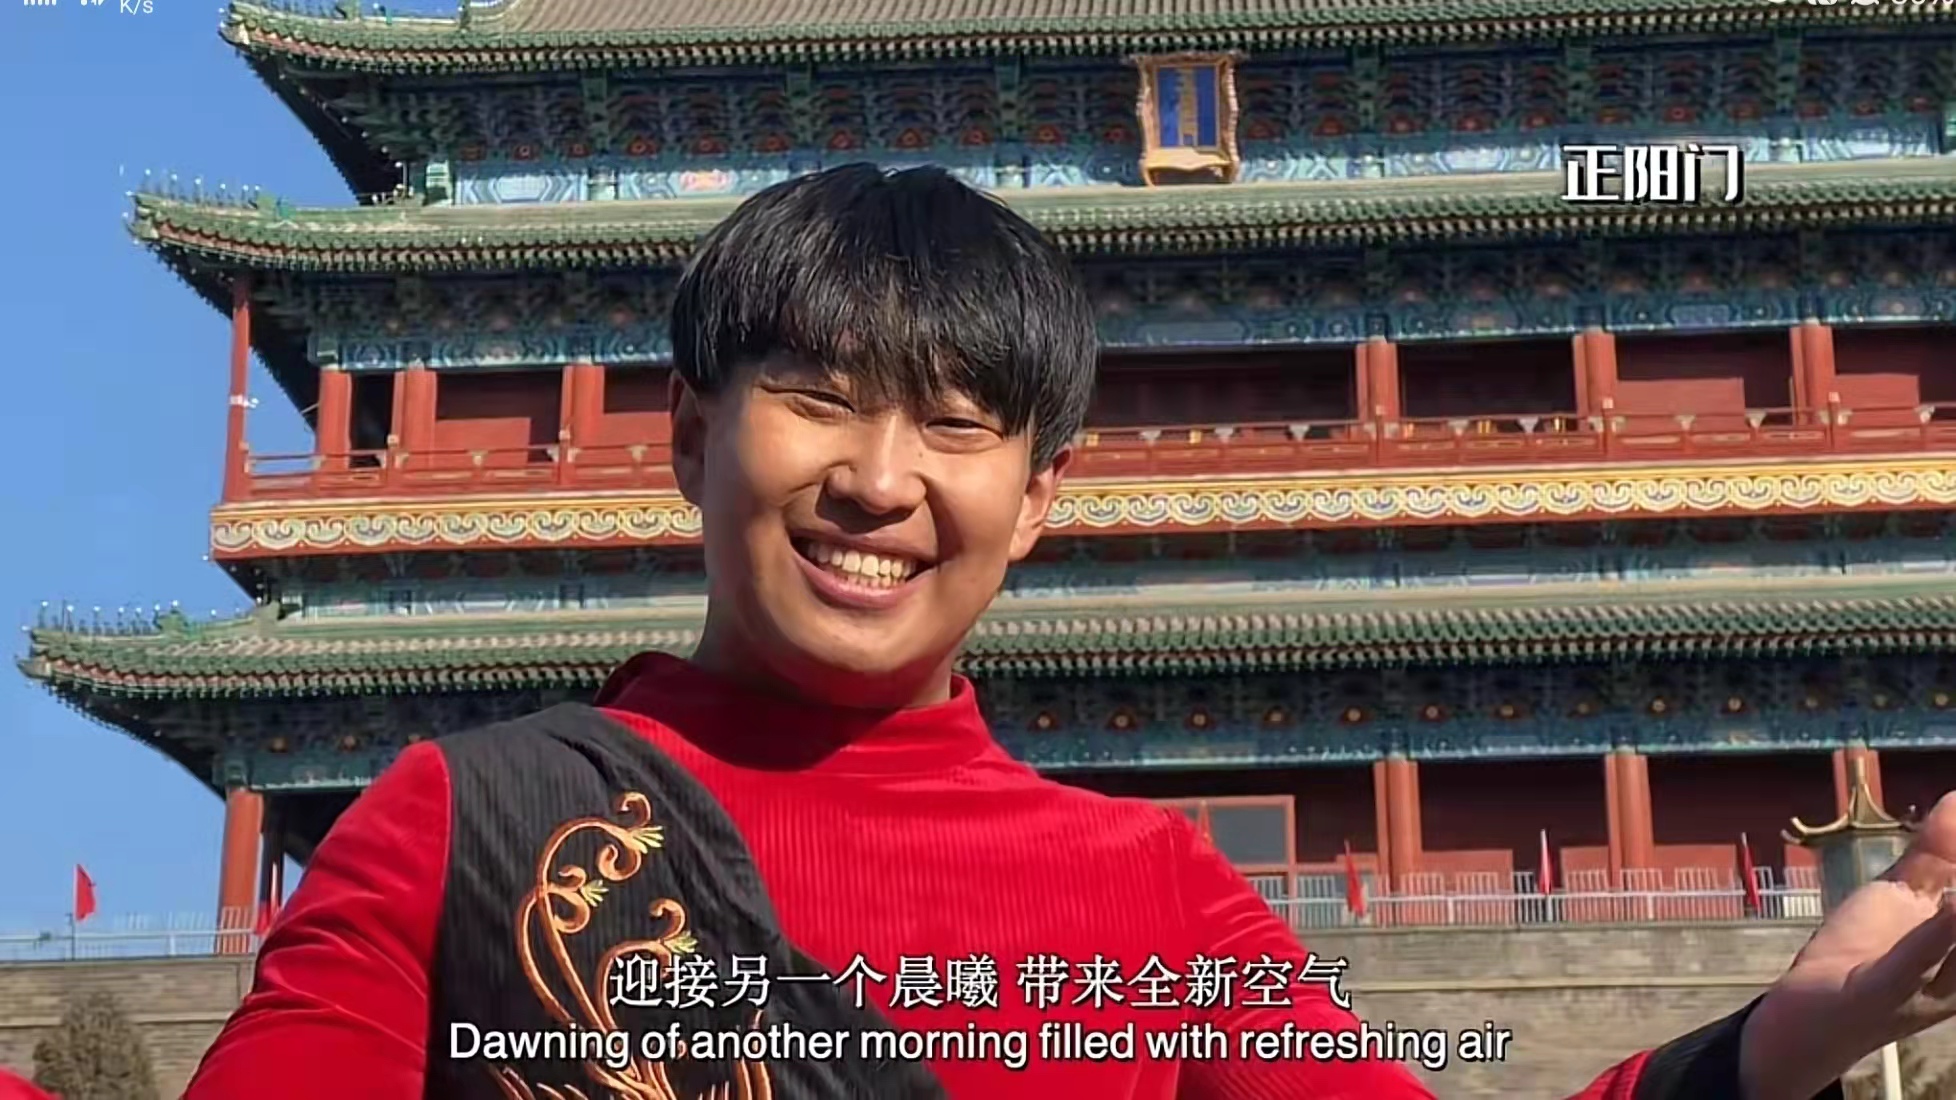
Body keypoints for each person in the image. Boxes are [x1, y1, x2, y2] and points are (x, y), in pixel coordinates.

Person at [185, 164, 1956, 1100]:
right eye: (819, 399)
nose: (880, 482)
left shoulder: (1153, 901)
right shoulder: (470, 824)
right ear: (690, 438)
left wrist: (1780, 1041)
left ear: (1037, 501)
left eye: (958, 426)